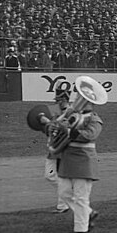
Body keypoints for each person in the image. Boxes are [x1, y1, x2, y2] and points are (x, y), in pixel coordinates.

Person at [52, 85, 104, 233]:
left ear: (90, 102)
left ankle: (81, 228)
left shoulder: (95, 119)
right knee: (64, 192)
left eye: (82, 99)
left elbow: (90, 135)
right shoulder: (71, 115)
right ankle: (88, 213)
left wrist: (68, 130)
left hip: (84, 160)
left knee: (81, 196)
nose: (78, 101)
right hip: (68, 159)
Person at [45, 83, 72, 214]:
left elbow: (68, 130)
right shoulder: (54, 110)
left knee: (55, 176)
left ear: (65, 99)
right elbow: (51, 128)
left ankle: (64, 203)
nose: (57, 102)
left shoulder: (71, 112)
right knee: (51, 176)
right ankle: (65, 200)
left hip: (63, 148)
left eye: (59, 100)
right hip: (53, 146)